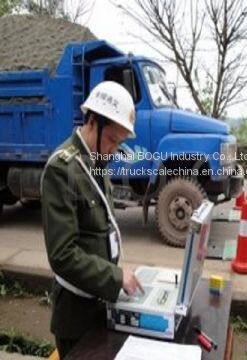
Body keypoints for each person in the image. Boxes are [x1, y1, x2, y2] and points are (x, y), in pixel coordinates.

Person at [41, 81, 143, 358]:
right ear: (92, 121)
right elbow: (62, 254)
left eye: (118, 143)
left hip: (101, 303)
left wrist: (117, 276)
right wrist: (115, 276)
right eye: (111, 139)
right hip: (76, 317)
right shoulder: (63, 169)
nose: (112, 149)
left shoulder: (97, 163)